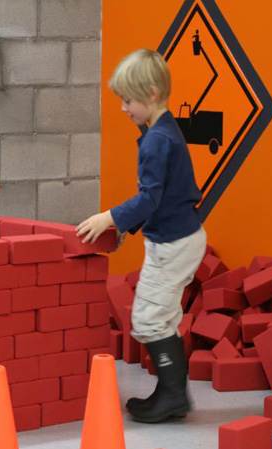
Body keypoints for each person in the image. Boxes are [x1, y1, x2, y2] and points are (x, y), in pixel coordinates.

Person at [76, 49, 206, 423]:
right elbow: (160, 198)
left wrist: (109, 217)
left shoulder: (156, 141)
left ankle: (172, 398)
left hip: (174, 244)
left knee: (149, 320)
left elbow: (150, 197)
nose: (123, 108)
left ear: (150, 94)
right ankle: (171, 395)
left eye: (127, 100)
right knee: (159, 317)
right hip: (177, 236)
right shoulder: (162, 132)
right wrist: (124, 227)